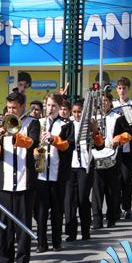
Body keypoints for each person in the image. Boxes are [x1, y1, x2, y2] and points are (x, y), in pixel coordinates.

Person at [0, 91, 40, 263]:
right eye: (9, 107)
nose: (11, 111)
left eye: (14, 108)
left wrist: (13, 134)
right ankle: (5, 259)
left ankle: (22, 259)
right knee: (4, 222)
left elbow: (32, 142)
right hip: (5, 179)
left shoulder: (32, 123)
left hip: (25, 178)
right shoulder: (2, 122)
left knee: (23, 222)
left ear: (22, 107)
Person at [34, 94, 73, 253]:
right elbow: (32, 144)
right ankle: (41, 243)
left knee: (57, 210)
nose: (50, 109)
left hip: (57, 173)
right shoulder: (39, 123)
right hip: (41, 173)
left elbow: (69, 146)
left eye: (54, 106)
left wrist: (53, 139)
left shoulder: (66, 125)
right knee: (41, 211)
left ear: (59, 107)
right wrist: (35, 152)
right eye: (48, 105)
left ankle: (57, 242)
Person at [91, 91, 132, 229]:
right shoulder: (92, 118)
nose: (103, 103)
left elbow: (129, 133)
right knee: (97, 189)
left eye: (105, 101)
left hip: (113, 156)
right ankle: (97, 220)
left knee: (112, 189)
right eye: (100, 101)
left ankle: (111, 218)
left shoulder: (118, 117)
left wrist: (119, 138)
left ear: (110, 102)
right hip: (96, 156)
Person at [64, 100, 93, 242]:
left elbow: (98, 143)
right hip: (70, 167)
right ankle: (71, 232)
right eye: (74, 112)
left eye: (79, 112)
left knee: (83, 199)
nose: (77, 114)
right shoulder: (67, 126)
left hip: (84, 166)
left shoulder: (89, 126)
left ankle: (86, 231)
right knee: (70, 200)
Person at [114, 77, 132, 220]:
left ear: (128, 89)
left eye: (124, 88)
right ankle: (116, 207)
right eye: (119, 88)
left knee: (126, 178)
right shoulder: (112, 105)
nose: (122, 91)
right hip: (114, 149)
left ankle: (127, 206)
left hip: (128, 149)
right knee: (115, 179)